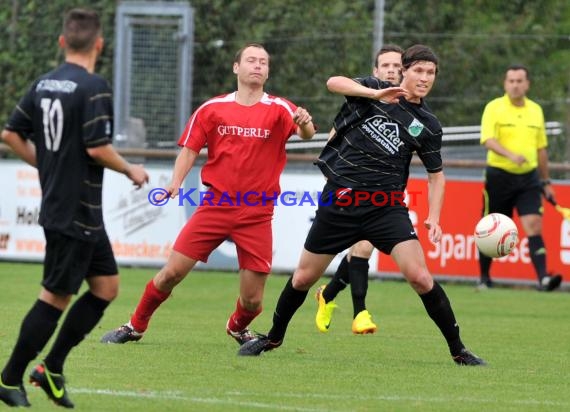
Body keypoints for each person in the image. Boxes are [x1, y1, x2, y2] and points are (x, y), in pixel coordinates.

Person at [238, 44, 486, 366]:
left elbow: (436, 176)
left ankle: (459, 350)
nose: (424, 78)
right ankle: (272, 337)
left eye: (431, 73)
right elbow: (333, 82)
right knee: (302, 278)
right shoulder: (372, 89)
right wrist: (373, 96)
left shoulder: (428, 124)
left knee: (421, 278)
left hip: (385, 208)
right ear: (404, 70)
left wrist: (434, 218)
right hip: (339, 200)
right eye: (418, 71)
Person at [100, 43, 315, 347]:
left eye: (263, 62)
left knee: (253, 302)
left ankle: (237, 326)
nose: (257, 66)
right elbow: (189, 150)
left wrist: (305, 125)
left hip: (256, 212)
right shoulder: (213, 108)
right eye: (251, 60)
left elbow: (305, 133)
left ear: (267, 72)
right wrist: (176, 182)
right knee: (171, 273)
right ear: (236, 67)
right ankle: (135, 325)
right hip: (216, 205)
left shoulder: (281, 109)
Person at [0, 8, 149, 408]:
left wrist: (43, 162)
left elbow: (11, 134)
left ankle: (51, 367)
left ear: (63, 42)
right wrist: (130, 169)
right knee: (55, 297)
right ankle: (10, 377)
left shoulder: (44, 83)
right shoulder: (93, 86)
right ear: (99, 44)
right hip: (74, 210)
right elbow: (96, 147)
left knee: (106, 287)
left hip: (75, 208)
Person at [316, 44, 404, 335]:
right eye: (386, 65)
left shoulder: (406, 105)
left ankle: (348, 307)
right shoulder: (365, 92)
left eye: (396, 65)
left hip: (380, 186)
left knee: (363, 246)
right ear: (375, 71)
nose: (391, 70)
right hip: (345, 183)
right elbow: (336, 126)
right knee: (358, 247)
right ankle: (344, 304)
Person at [478, 64, 563, 291]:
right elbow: (487, 139)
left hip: (529, 179)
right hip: (499, 177)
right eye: (511, 81)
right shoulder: (494, 107)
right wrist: (510, 155)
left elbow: (541, 149)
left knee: (534, 225)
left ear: (527, 84)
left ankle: (543, 279)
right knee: (491, 229)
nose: (515, 85)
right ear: (505, 84)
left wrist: (546, 182)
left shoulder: (536, 110)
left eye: (519, 81)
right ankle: (484, 279)